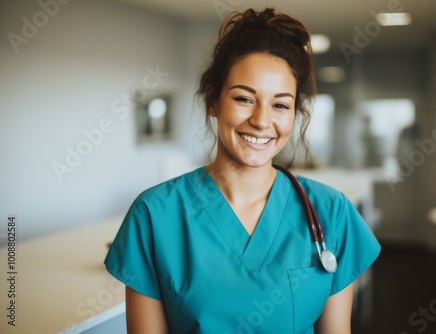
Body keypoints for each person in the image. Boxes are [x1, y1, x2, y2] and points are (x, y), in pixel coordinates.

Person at [104, 7, 380, 334]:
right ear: (213, 101)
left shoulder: (331, 213)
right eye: (244, 99)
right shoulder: (154, 215)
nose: (262, 120)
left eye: (280, 105)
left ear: (294, 114)